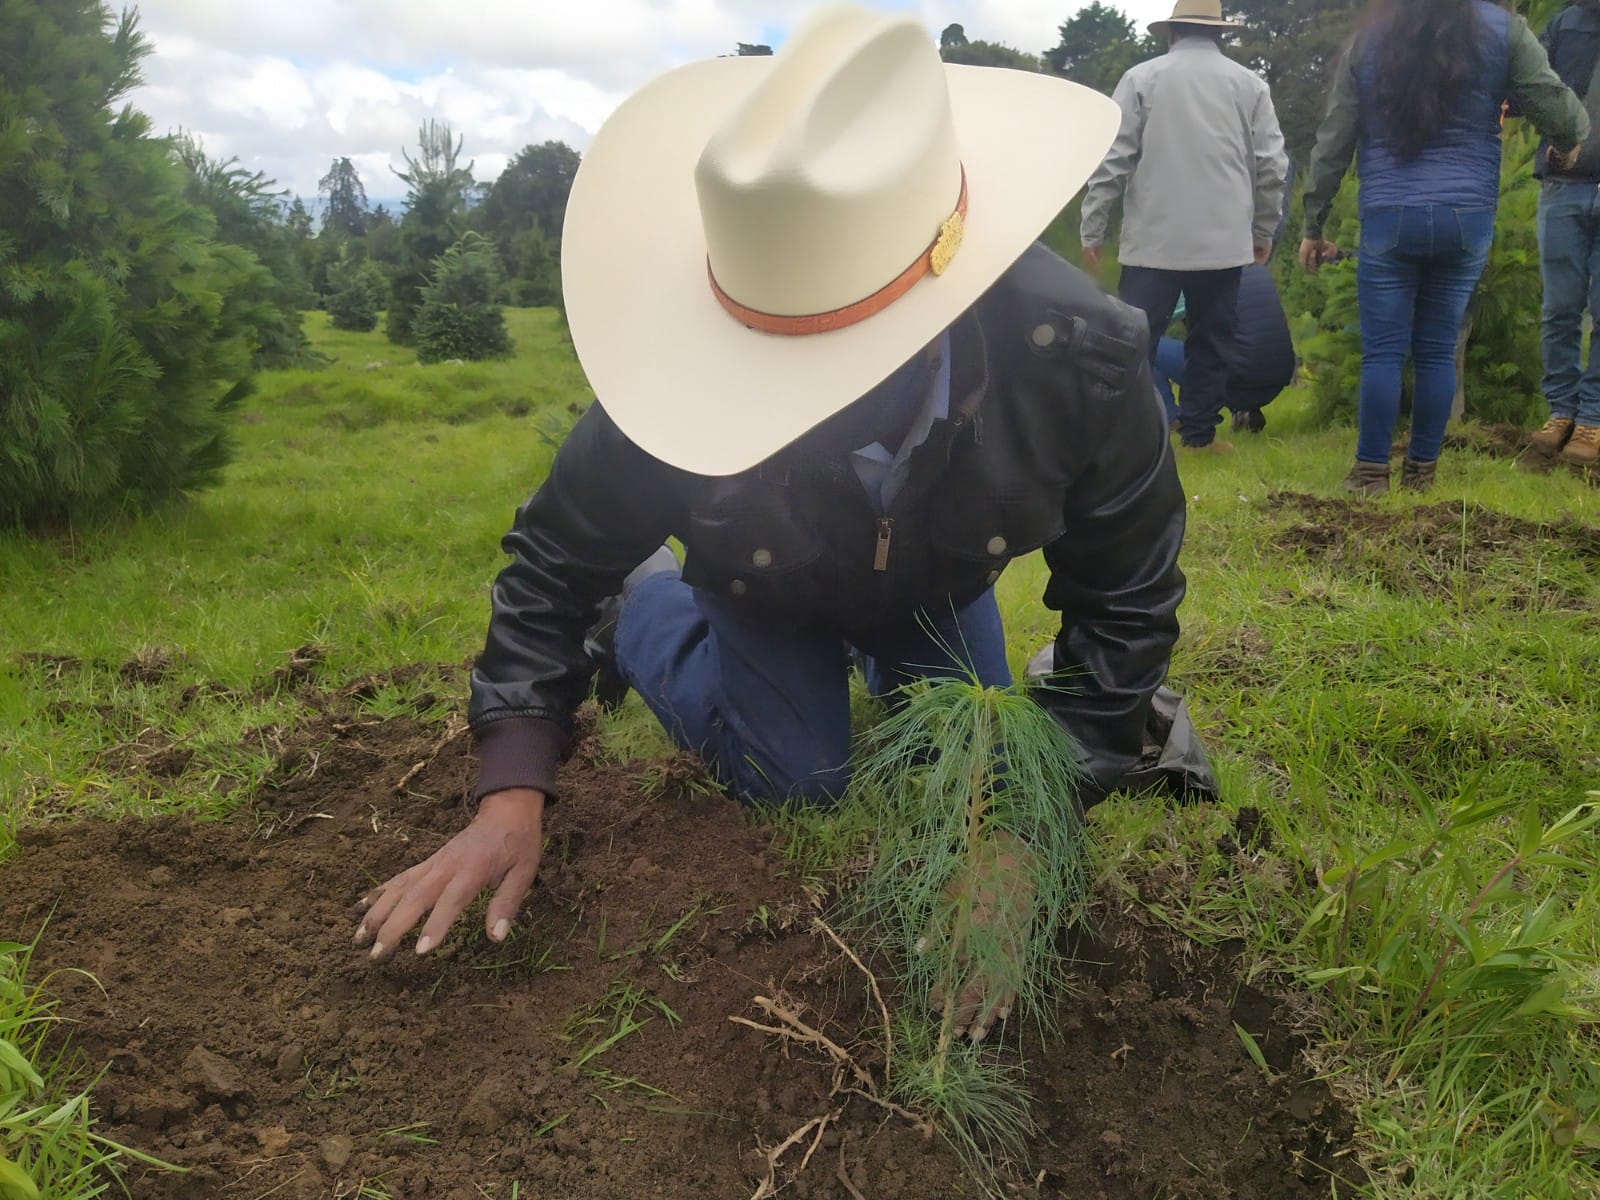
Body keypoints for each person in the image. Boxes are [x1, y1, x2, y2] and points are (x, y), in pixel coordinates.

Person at [354, 4, 1200, 1043]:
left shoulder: (1081, 360)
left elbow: (1125, 599)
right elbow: (550, 563)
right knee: (796, 780)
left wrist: (1028, 833)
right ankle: (647, 606)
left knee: (959, 770)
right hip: (765, 581)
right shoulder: (670, 373)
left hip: (935, 584)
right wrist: (510, 791)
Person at [1300, 0, 1588, 495]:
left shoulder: (1371, 38)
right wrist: (1566, 144)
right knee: (1436, 349)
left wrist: (1313, 222)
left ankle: (1370, 472)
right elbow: (1561, 109)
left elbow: (1334, 139)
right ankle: (1421, 472)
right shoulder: (1505, 31)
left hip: (1390, 216)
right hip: (1465, 217)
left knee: (1383, 353)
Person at [1080, 0, 1289, 456]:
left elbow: (1112, 160)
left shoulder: (1141, 78)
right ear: (1219, 35)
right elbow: (1272, 166)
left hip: (1154, 243)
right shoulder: (1249, 84)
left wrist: (1092, 227)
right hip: (1224, 243)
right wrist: (1263, 230)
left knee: (1133, 342)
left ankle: (1122, 442)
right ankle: (1198, 436)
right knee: (1211, 342)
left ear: (1171, 33)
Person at [1529, 0, 1600, 467]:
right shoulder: (1564, 22)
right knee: (1558, 309)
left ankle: (1593, 417)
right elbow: (1530, 83)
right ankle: (1561, 411)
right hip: (1562, 185)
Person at [1151, 263, 1298, 433]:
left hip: (1236, 381)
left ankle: (1171, 419)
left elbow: (1152, 321)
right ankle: (1245, 412)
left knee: (1147, 343)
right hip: (1277, 379)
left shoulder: (1198, 271)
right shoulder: (1257, 267)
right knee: (1236, 340)